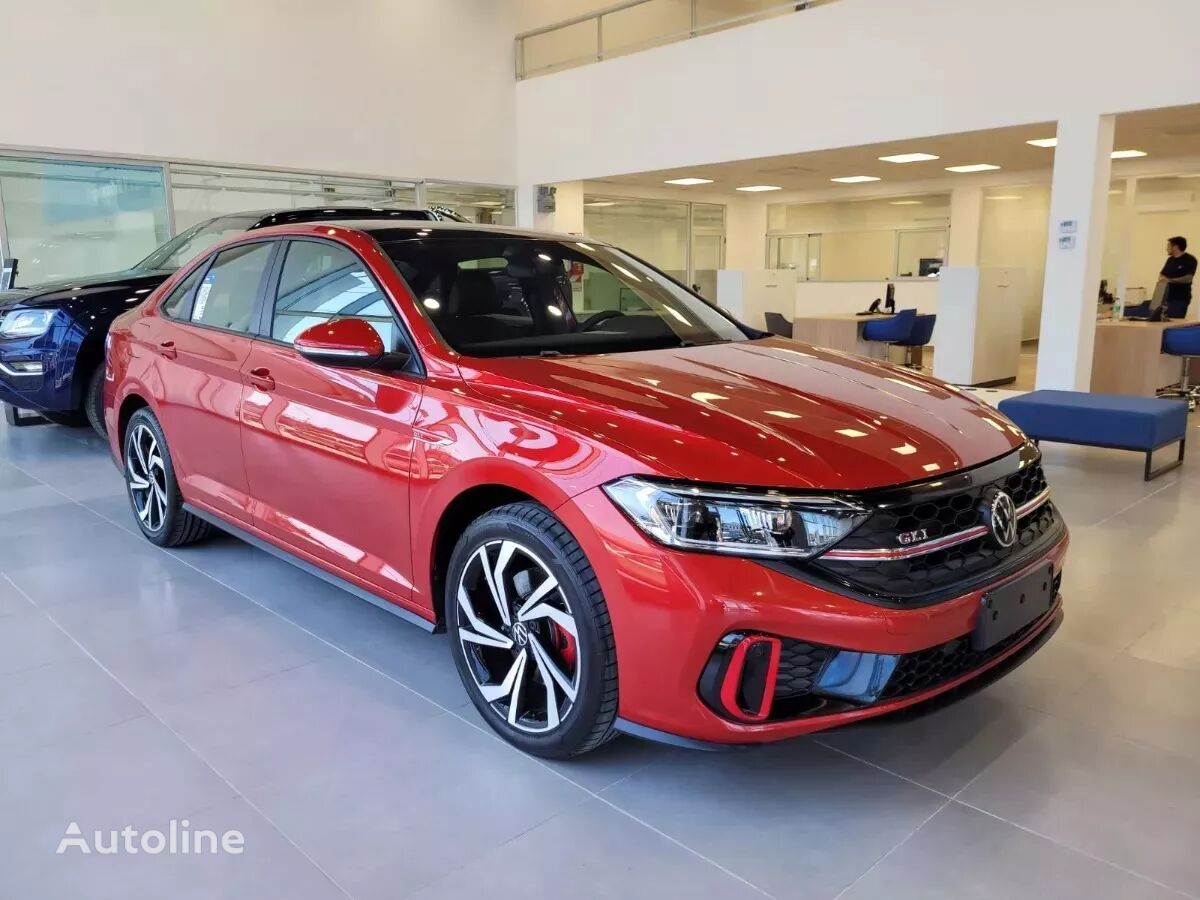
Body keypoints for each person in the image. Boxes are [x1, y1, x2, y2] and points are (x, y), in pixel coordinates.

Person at [1159, 236, 1196, 319]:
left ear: (1175, 247)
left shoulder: (1190, 259)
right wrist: (1162, 279)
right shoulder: (1170, 260)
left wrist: (1170, 280)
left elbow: (1188, 278)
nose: (1166, 248)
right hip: (1166, 298)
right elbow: (1162, 275)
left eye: (1168, 246)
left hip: (1180, 298)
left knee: (1174, 320)